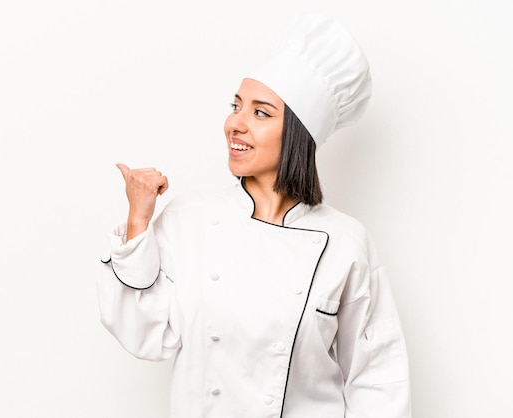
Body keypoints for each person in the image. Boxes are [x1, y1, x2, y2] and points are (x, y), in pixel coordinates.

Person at [97, 12, 411, 418]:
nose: (235, 124)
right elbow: (144, 335)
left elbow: (377, 377)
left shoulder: (345, 242)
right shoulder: (190, 217)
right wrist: (138, 220)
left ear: (300, 133)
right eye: (236, 106)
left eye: (261, 113)